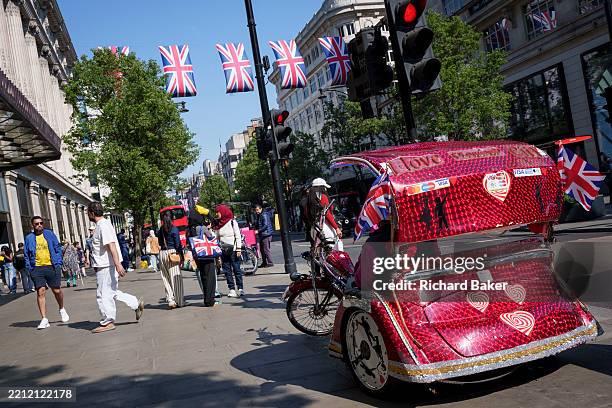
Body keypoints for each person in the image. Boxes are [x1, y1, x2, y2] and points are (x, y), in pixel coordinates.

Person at [87, 202, 144, 333]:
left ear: (92, 213)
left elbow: (111, 245)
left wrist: (118, 264)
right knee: (110, 291)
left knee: (103, 294)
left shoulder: (103, 226)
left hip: (106, 266)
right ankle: (135, 303)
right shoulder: (103, 225)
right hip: (105, 265)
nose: (88, 215)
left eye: (88, 212)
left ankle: (108, 321)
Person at [24, 216, 69, 329]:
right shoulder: (29, 238)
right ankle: (44, 319)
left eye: (41, 223)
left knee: (56, 290)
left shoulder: (49, 234)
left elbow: (57, 248)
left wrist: (58, 262)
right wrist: (30, 268)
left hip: (52, 266)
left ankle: (62, 308)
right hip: (37, 268)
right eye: (36, 224)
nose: (39, 225)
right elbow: (26, 255)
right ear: (32, 226)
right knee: (40, 291)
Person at [190, 206, 218, 307]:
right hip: (206, 255)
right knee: (210, 277)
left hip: (198, 256)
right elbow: (211, 237)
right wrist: (209, 228)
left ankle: (206, 299)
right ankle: (210, 300)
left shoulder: (190, 229)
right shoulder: (202, 228)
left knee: (203, 276)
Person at [214, 204, 244, 298]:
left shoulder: (232, 222)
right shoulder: (218, 224)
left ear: (223, 212)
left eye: (218, 212)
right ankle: (231, 289)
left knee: (236, 269)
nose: (217, 214)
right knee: (227, 271)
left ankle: (240, 288)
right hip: (223, 250)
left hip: (234, 250)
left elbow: (238, 235)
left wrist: (238, 248)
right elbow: (216, 237)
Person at [305, 178, 343, 251]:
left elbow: (307, 214)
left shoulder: (309, 199)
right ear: (322, 187)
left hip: (315, 228)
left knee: (322, 251)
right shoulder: (322, 197)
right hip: (325, 227)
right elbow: (327, 214)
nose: (326, 189)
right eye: (325, 187)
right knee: (333, 249)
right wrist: (336, 228)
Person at [157, 212, 184, 308]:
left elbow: (160, 242)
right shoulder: (174, 228)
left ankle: (171, 300)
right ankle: (180, 301)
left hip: (162, 254)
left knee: (165, 278)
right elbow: (178, 244)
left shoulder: (160, 230)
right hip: (172, 253)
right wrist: (181, 256)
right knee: (175, 277)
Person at [254, 204, 274, 268]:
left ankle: (270, 263)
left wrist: (258, 231)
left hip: (266, 234)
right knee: (262, 249)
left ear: (261, 209)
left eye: (257, 210)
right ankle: (264, 262)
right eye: (255, 210)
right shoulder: (260, 215)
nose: (256, 211)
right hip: (263, 234)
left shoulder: (264, 215)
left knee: (266, 249)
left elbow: (265, 225)